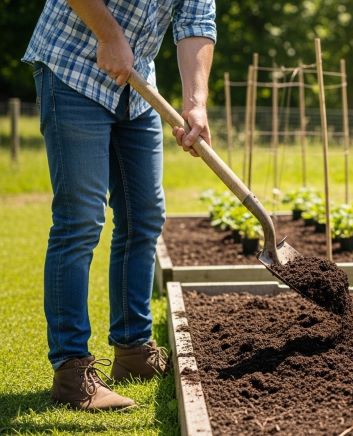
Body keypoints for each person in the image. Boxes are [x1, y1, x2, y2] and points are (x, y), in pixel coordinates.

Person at [23, 0, 216, 410]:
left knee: (144, 217)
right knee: (81, 220)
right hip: (72, 67)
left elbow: (196, 20)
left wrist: (195, 101)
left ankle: (133, 351)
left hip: (137, 85)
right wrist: (110, 37)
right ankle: (72, 372)